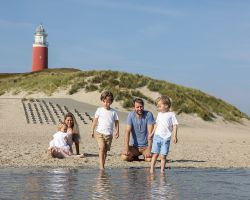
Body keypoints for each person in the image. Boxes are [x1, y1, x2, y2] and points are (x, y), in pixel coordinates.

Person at [91, 91, 119, 170]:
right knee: (102, 147)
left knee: (105, 151)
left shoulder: (113, 112)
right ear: (102, 101)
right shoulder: (99, 110)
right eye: (104, 101)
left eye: (108, 102)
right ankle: (101, 166)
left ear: (111, 102)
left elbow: (116, 122)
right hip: (99, 133)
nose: (106, 103)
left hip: (109, 134)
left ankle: (103, 164)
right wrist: (92, 130)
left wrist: (117, 131)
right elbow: (95, 121)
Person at [150, 96, 178, 174]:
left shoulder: (171, 114)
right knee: (155, 154)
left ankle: (162, 171)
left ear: (166, 105)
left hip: (166, 138)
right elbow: (156, 124)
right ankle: (152, 169)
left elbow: (175, 125)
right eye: (157, 106)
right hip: (157, 136)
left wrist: (174, 136)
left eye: (159, 106)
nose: (158, 108)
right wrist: (152, 133)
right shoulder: (159, 114)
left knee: (163, 155)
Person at [121, 98, 155, 162]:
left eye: (141, 107)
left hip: (146, 147)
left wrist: (149, 149)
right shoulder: (130, 115)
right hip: (135, 147)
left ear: (143, 106)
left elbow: (150, 134)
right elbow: (127, 132)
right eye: (137, 107)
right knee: (124, 157)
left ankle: (144, 156)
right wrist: (126, 149)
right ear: (134, 107)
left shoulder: (148, 114)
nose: (139, 109)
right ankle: (135, 157)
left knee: (149, 159)